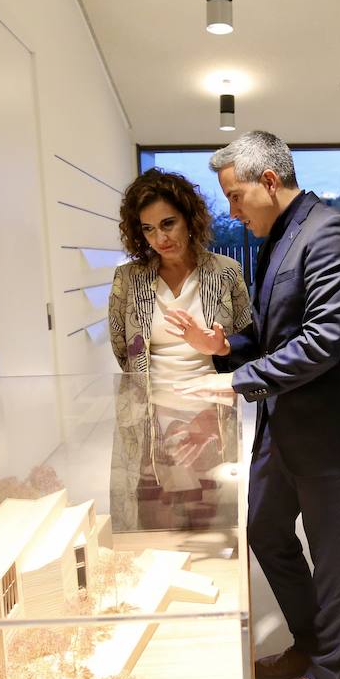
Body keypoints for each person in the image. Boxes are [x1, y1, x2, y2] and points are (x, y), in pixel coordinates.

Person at [172, 130, 340, 679]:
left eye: (235, 197)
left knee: (333, 553)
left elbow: (323, 342)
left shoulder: (331, 233)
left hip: (326, 434)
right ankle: (311, 642)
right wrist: (223, 347)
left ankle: (330, 675)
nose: (231, 211)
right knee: (263, 526)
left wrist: (234, 382)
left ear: (268, 181)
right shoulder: (278, 237)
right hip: (280, 430)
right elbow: (271, 334)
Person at [106, 169, 251, 531]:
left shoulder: (227, 273)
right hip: (149, 417)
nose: (160, 237)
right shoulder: (129, 279)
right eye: (148, 229)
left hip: (211, 415)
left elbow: (250, 344)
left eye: (168, 223)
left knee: (214, 521)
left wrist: (219, 347)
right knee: (157, 520)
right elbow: (123, 349)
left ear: (190, 218)